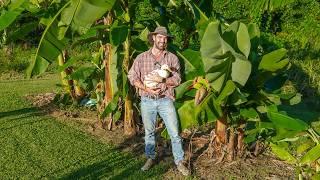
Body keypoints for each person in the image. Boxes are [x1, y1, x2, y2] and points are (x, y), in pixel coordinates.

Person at [128, 26, 190, 176]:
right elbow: (132, 76)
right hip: (147, 100)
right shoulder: (142, 57)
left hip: (165, 100)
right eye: (160, 37)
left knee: (174, 133)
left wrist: (162, 79)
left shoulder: (172, 58)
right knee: (149, 132)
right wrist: (146, 88)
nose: (163, 40)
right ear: (153, 38)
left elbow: (177, 79)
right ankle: (150, 157)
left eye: (165, 38)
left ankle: (179, 161)